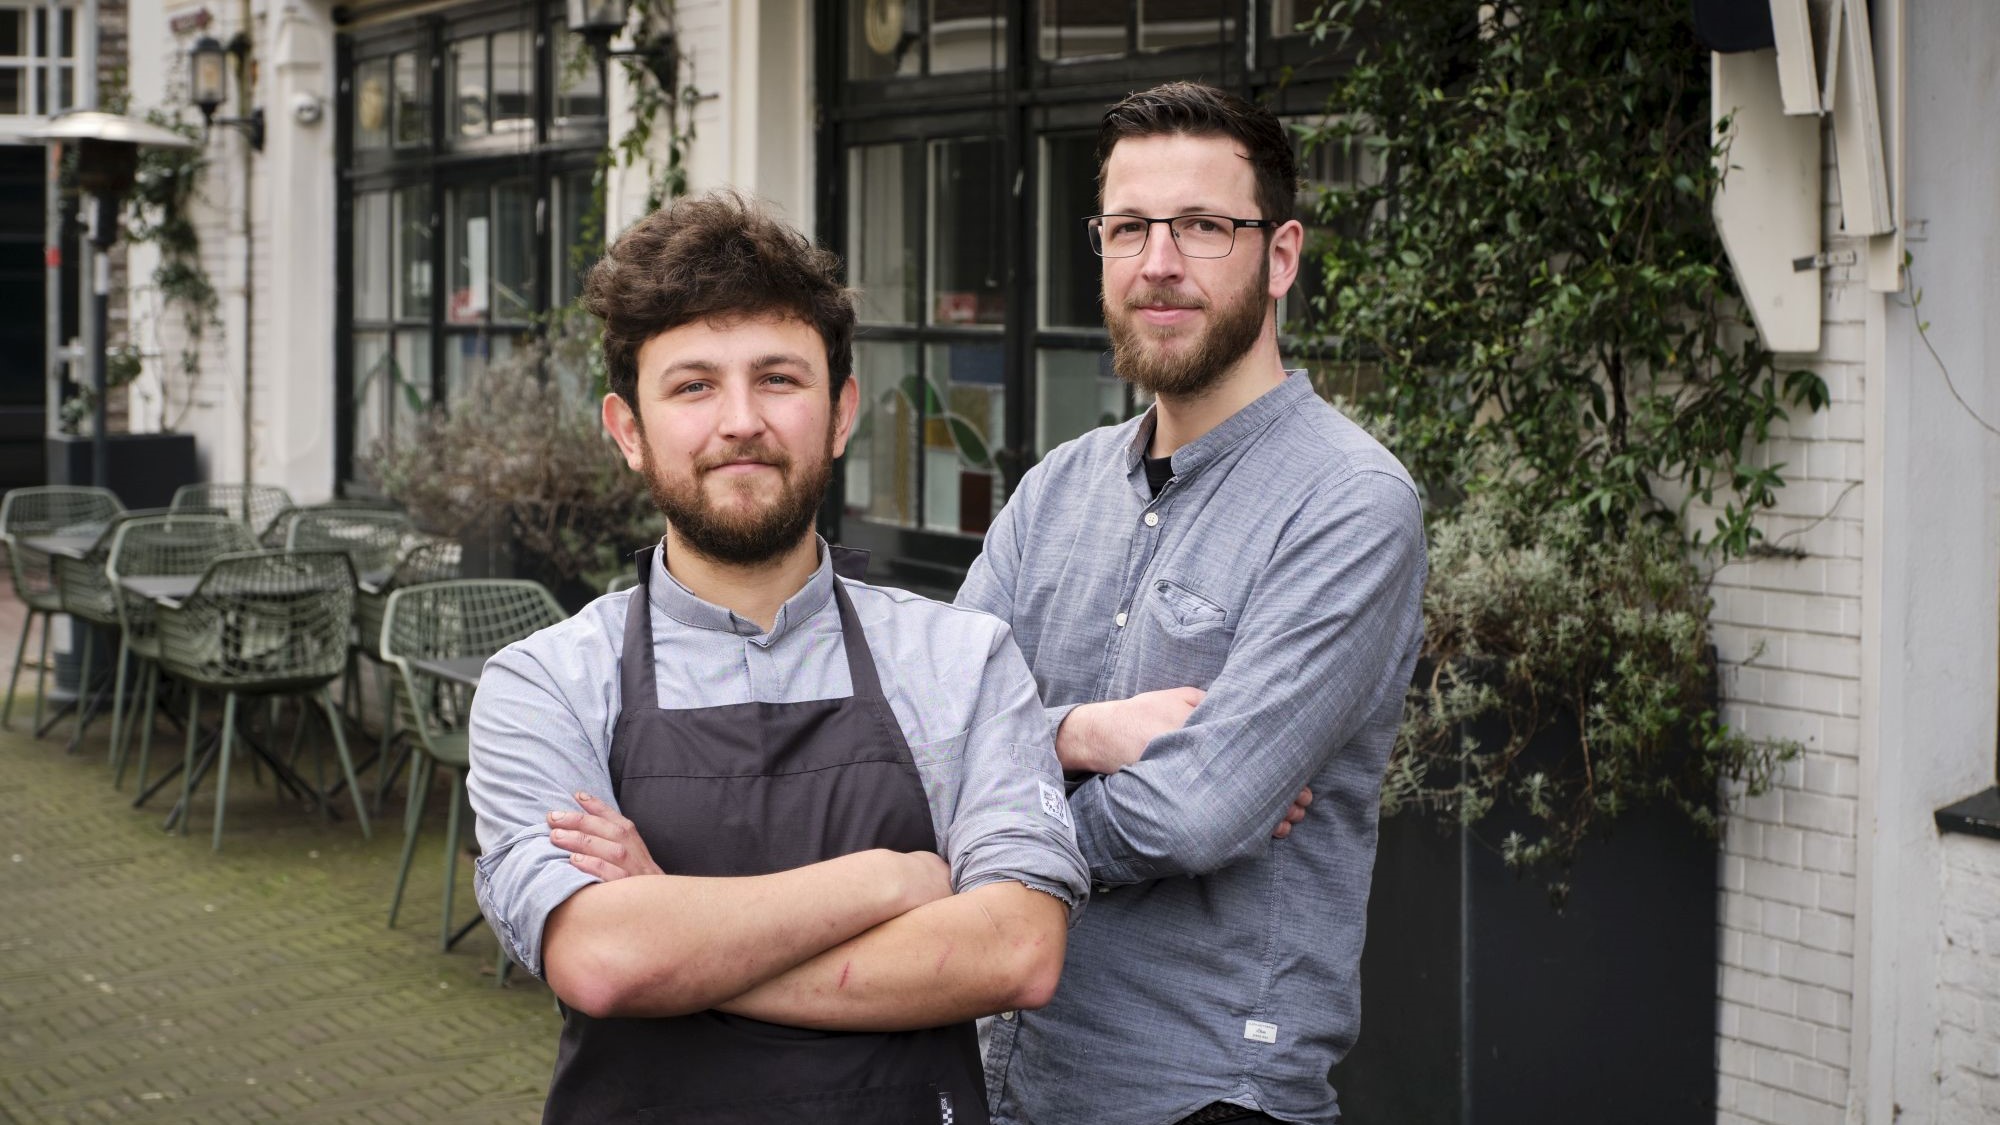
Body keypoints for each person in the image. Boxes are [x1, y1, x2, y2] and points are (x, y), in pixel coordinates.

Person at [466, 192, 1090, 1125]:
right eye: (693, 385)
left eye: (778, 379)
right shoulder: (546, 682)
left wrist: (674, 927)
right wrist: (889, 879)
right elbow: (599, 959)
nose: (741, 420)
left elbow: (1015, 953)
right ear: (628, 430)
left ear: (840, 414)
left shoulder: (961, 659)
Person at [954, 83, 1429, 1125]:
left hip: (1200, 1089)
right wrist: (1083, 733)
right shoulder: (1054, 490)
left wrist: (981, 818)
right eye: (1127, 228)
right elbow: (925, 731)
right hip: (999, 1074)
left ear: (1281, 256)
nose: (1157, 262)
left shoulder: (1349, 506)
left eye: (1203, 227)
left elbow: (1190, 813)